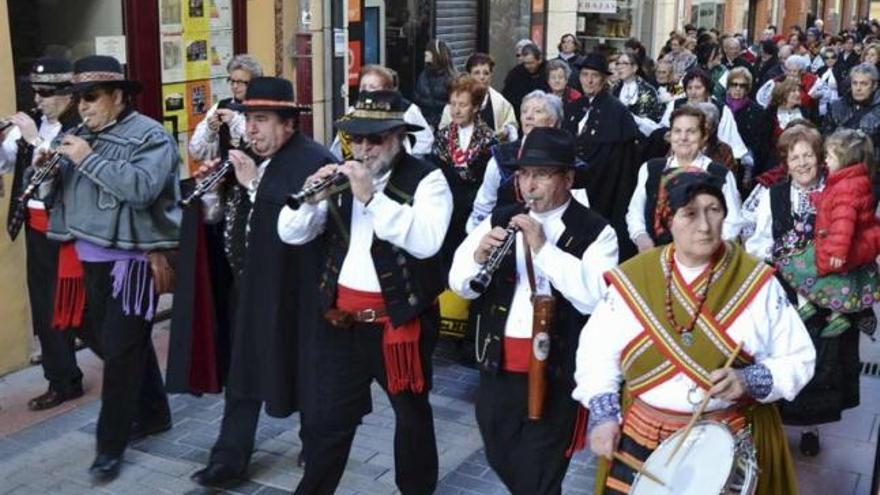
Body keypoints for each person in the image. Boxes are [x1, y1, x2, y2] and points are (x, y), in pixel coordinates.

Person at [576, 169, 815, 495]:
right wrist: (603, 416)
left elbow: (799, 358)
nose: (704, 225)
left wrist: (748, 380)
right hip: (641, 436)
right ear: (667, 220)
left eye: (713, 210)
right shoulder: (634, 279)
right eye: (690, 213)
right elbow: (597, 353)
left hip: (729, 439)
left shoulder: (756, 282)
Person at [277, 89, 452, 495]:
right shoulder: (341, 176)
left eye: (375, 139)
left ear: (399, 137)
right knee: (327, 421)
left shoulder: (428, 179)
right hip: (341, 323)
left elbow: (426, 241)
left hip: (398, 326)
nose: (364, 148)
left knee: (411, 418)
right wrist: (310, 200)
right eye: (356, 138)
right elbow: (290, 233)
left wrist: (370, 196)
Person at [448, 127, 618, 494]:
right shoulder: (501, 217)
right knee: (500, 453)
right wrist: (478, 256)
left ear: (568, 178)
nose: (529, 185)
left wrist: (543, 248)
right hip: (499, 366)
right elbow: (459, 282)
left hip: (557, 375)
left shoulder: (597, 231)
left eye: (541, 174)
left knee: (539, 474)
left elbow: (595, 299)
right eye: (524, 174)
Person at [186, 77, 336, 489]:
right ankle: (228, 458)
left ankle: (317, 446)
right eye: (249, 118)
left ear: (288, 123)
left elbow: (298, 222)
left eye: (262, 119)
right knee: (244, 372)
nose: (251, 129)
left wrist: (254, 183)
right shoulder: (246, 158)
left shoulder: (313, 161)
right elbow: (223, 218)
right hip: (250, 285)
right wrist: (211, 192)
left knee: (305, 370)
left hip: (296, 290)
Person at [46, 55, 180, 481]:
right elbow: (57, 195)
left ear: (118, 96)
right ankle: (155, 412)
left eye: (91, 96)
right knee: (112, 340)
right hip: (87, 258)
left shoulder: (151, 136)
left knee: (120, 355)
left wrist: (87, 159)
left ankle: (109, 446)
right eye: (78, 98)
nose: (83, 106)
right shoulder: (77, 134)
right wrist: (46, 171)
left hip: (132, 262)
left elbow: (141, 189)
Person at [744, 126, 876, 456]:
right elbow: (757, 243)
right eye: (794, 157)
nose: (802, 163)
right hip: (784, 292)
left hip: (829, 295)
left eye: (808, 156)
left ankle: (810, 428)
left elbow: (859, 236)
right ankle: (774, 424)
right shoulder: (773, 195)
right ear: (785, 162)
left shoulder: (838, 190)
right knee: (780, 355)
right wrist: (780, 257)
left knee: (820, 360)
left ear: (820, 159)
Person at [1, 57, 84, 412]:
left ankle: (129, 374)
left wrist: (34, 141)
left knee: (85, 310)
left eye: (45, 93)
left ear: (67, 94)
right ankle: (62, 379)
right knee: (47, 308)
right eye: (35, 92)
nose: (37, 100)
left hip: (72, 231)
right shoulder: (34, 126)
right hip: (37, 231)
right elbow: (7, 162)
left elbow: (60, 168)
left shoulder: (81, 127)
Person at [468, 90, 592, 231]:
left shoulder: (568, 162)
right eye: (524, 111)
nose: (529, 116)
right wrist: (477, 235)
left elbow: (580, 213)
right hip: (505, 234)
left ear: (552, 121)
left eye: (538, 111)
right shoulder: (501, 156)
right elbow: (484, 204)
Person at [627, 105, 742, 250]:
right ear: (670, 136)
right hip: (656, 253)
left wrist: (707, 247)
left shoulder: (720, 174)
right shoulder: (651, 169)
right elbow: (635, 212)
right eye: (677, 131)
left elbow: (732, 222)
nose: (683, 138)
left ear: (704, 137)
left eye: (691, 132)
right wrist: (641, 237)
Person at [563, 53, 641, 260]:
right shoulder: (574, 107)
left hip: (605, 184)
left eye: (594, 76)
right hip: (573, 182)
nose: (589, 80)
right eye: (585, 75)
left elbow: (625, 159)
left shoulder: (617, 111)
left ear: (604, 79)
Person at [430, 74, 498, 269]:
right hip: (447, 208)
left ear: (475, 107)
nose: (456, 110)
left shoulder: (488, 139)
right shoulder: (442, 137)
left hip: (475, 210)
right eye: (453, 104)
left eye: (462, 105)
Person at [334, 64, 434, 160]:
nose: (367, 91)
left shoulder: (407, 110)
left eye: (372, 87)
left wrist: (407, 159)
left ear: (387, 90)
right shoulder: (353, 111)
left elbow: (425, 140)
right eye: (363, 87)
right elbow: (337, 150)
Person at [660, 68, 750, 162]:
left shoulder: (722, 110)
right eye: (689, 88)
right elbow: (663, 129)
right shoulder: (675, 105)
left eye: (698, 88)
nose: (693, 92)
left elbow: (728, 140)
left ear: (707, 90)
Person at [189, 54, 262, 161]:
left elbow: (262, 144)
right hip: (227, 169)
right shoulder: (221, 106)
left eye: (240, 82)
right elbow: (196, 153)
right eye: (232, 81)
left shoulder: (263, 109)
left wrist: (235, 121)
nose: (235, 86)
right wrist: (210, 132)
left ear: (255, 83)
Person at [439, 53, 518, 143]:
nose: (482, 77)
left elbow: (512, 126)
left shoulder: (501, 103)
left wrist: (506, 131)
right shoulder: (454, 103)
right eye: (477, 73)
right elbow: (443, 131)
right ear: (469, 75)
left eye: (486, 73)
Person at [823, 63, 880, 167]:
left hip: (870, 168)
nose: (858, 88)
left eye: (864, 84)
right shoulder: (836, 106)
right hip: (838, 164)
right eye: (855, 83)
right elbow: (826, 136)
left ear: (874, 85)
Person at [726, 67, 773, 183]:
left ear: (747, 89)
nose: (738, 89)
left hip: (747, 165)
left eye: (742, 86)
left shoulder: (757, 111)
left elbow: (762, 143)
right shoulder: (720, 107)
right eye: (734, 84)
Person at [612, 52, 663, 132]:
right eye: (618, 63)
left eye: (624, 63)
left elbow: (656, 116)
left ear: (635, 68)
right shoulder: (614, 89)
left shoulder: (647, 90)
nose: (619, 67)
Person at [414, 39, 456, 130]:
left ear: (436, 54)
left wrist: (434, 123)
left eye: (429, 50)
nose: (425, 52)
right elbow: (418, 99)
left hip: (442, 126)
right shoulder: (423, 75)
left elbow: (452, 107)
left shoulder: (450, 79)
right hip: (424, 124)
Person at [503, 44, 550, 120]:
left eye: (531, 63)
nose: (528, 66)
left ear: (539, 60)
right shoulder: (516, 73)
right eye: (525, 63)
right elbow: (507, 96)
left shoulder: (549, 71)